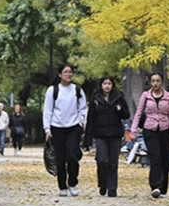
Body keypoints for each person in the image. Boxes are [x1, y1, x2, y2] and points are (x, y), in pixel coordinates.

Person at [130, 72, 169, 198]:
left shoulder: (168, 96)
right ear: (150, 83)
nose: (155, 83)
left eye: (158, 81)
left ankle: (163, 187)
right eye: (153, 81)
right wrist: (133, 130)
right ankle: (155, 185)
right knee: (155, 157)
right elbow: (138, 113)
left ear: (162, 82)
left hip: (165, 129)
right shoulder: (146, 96)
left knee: (164, 158)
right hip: (150, 129)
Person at [43, 64, 88, 197]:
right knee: (60, 158)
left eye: (70, 72)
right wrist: (47, 129)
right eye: (66, 72)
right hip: (57, 128)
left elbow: (83, 107)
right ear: (60, 74)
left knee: (72, 156)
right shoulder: (53, 90)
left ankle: (72, 183)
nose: (69, 74)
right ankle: (62, 185)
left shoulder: (77, 90)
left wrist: (80, 122)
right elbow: (47, 110)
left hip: (73, 127)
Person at [84, 75, 130, 197]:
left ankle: (112, 188)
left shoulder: (119, 97)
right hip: (100, 133)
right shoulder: (96, 98)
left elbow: (126, 115)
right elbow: (91, 117)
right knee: (102, 160)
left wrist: (119, 110)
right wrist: (87, 137)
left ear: (112, 85)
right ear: (101, 85)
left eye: (109, 84)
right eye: (105, 84)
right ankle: (103, 183)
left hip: (115, 133)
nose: (107, 86)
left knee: (113, 162)